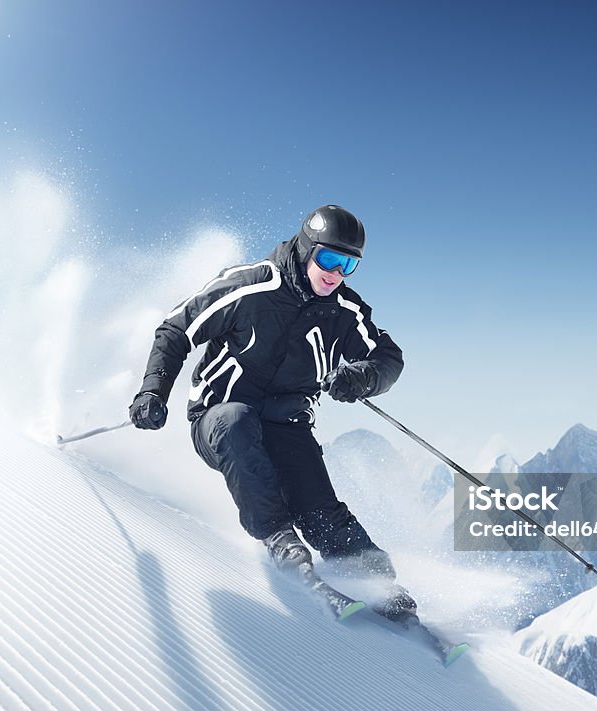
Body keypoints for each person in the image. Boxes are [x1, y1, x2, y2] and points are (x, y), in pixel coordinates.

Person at [129, 205, 414, 613]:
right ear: (305, 248)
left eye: (348, 264)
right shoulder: (250, 287)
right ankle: (281, 542)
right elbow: (177, 328)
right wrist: (152, 392)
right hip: (221, 418)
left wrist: (361, 378)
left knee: (322, 511)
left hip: (288, 428)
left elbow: (389, 358)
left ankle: (381, 587)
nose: (335, 273)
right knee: (237, 422)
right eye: (329, 259)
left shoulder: (344, 312)